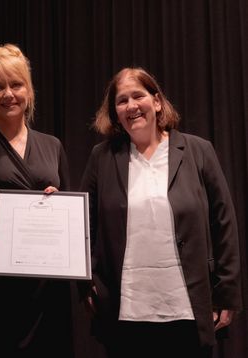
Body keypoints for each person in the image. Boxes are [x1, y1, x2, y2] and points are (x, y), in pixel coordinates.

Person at [79, 67, 242, 358]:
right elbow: (83, 224)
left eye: (138, 96)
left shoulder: (198, 151)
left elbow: (224, 223)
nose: (131, 106)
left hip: (185, 308)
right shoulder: (102, 158)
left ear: (156, 101)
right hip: (125, 310)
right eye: (122, 100)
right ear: (115, 112)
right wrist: (85, 285)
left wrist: (226, 292)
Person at [0, 43, 74, 358]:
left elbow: (72, 211)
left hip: (48, 285)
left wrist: (59, 205)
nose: (8, 94)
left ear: (29, 91)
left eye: (16, 84)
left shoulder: (53, 145)